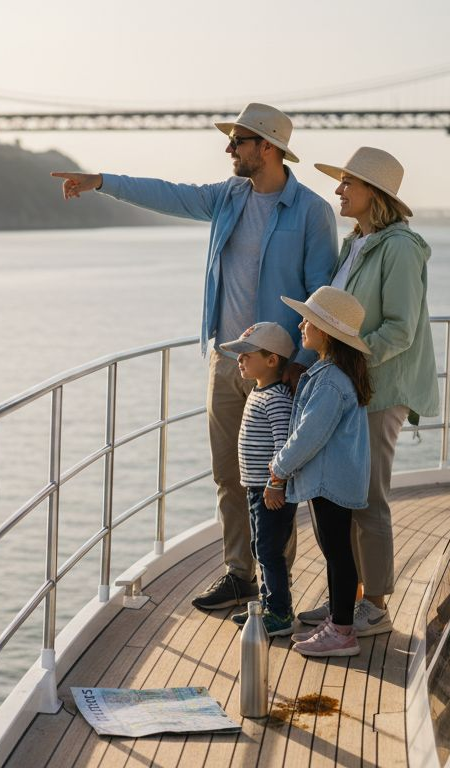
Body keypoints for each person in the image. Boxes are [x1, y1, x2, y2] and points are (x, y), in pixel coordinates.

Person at [51, 103, 337, 610]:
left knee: (278, 478)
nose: (228, 149)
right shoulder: (226, 198)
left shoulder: (312, 212)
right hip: (226, 362)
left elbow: (321, 295)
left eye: (238, 141)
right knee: (229, 474)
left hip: (278, 371)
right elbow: (167, 194)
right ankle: (238, 574)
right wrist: (99, 180)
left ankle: (277, 588)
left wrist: (301, 366)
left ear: (266, 147)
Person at [294, 148, 439, 636]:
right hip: (352, 387)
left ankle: (373, 605)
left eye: (347, 183)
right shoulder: (357, 241)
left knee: (367, 498)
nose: (338, 190)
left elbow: (400, 329)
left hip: (379, 389)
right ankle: (346, 598)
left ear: (373, 194)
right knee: (342, 494)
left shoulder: (399, 248)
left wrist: (343, 362)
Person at [269, 286, 373, 658]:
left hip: (329, 481)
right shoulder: (332, 373)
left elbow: (309, 434)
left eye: (307, 320)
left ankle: (343, 632)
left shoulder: (329, 381)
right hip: (331, 479)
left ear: (325, 331)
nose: (300, 325)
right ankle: (337, 618)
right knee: (335, 551)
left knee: (337, 552)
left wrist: (279, 467)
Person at [220, 322, 298, 636]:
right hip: (256, 489)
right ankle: (268, 606)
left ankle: (280, 613)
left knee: (269, 551)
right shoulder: (259, 391)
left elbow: (284, 445)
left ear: (271, 360)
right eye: (238, 355)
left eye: (246, 355)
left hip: (270, 491)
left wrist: (276, 483)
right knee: (260, 547)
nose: (239, 360)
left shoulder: (277, 398)